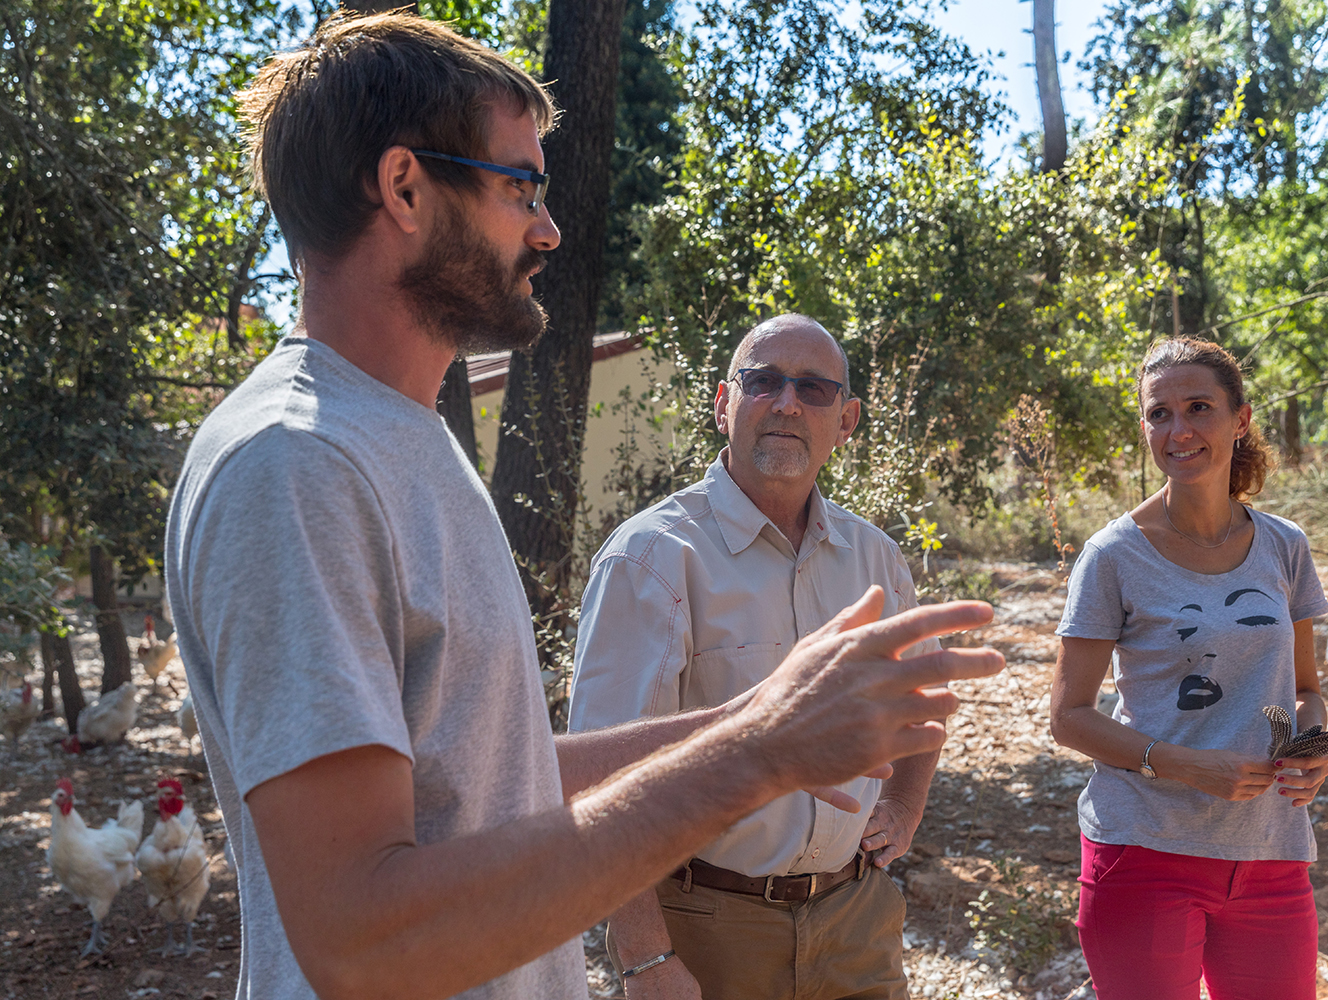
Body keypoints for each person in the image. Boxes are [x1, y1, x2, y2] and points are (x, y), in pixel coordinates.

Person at [163, 14, 1003, 1000]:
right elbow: (358, 937)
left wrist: (752, 718)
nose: (548, 227)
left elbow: (490, 783)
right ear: (403, 187)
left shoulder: (401, 439)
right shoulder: (296, 464)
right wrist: (752, 753)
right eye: (521, 185)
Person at [569, 314, 943, 1000]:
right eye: (763, 382)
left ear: (847, 420)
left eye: (814, 389)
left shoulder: (874, 559)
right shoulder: (652, 558)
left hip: (855, 921)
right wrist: (646, 957)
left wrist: (905, 802)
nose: (787, 403)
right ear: (723, 404)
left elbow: (924, 694)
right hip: (707, 925)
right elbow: (601, 781)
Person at [1048, 337, 1328, 1000]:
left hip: (1271, 853)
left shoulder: (1285, 547)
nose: (1178, 430)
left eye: (1198, 407)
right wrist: (1183, 764)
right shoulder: (1112, 556)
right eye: (1158, 414)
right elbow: (1068, 716)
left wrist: (1313, 747)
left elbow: (1309, 691)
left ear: (1241, 419)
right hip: (1145, 853)